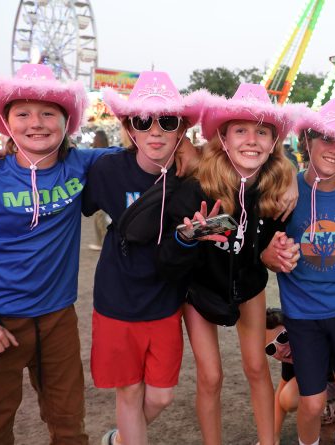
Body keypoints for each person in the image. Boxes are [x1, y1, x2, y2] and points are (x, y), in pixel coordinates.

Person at [0, 63, 105, 444]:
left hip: (57, 319)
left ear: (67, 121)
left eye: (48, 112)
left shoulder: (82, 165)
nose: (37, 122)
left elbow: (145, 157)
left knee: (68, 424)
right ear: (6, 122)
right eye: (23, 113)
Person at [149, 83, 298, 445]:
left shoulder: (277, 186)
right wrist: (187, 237)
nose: (252, 140)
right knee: (211, 376)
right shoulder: (196, 186)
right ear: (224, 138)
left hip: (247, 283)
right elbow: (168, 254)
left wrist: (274, 251)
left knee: (256, 366)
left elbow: (263, 247)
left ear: (274, 141)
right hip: (198, 287)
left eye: (262, 132)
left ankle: (269, 442)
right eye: (241, 130)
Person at [86, 71, 207, 445]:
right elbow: (56, 168)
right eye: (143, 120)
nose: (155, 130)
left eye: (167, 121)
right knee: (130, 393)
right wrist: (1, 154)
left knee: (161, 396)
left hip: (164, 304)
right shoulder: (106, 169)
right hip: (116, 303)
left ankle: (121, 439)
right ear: (130, 127)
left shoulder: (192, 182)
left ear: (180, 130)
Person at [261, 98, 335, 445]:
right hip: (302, 316)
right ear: (307, 139)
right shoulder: (285, 193)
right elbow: (261, 248)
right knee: (311, 403)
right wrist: (271, 254)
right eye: (327, 138)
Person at [265, 308, 335, 445]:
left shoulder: (311, 341)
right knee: (286, 398)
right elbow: (280, 394)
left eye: (282, 337)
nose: (281, 348)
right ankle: (331, 409)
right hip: (325, 388)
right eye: (271, 348)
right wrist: (272, 436)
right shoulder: (291, 355)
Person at [88, 129, 111, 251]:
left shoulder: (93, 154)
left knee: (100, 219)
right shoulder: (110, 151)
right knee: (104, 218)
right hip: (109, 189)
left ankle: (102, 242)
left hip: (98, 191)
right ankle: (102, 242)